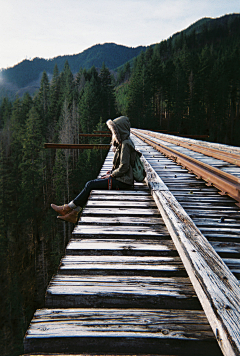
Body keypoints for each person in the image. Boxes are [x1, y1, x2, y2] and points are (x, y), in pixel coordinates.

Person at [51, 116, 136, 223]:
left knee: (90, 184)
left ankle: (68, 208)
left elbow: (124, 167)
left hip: (124, 182)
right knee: (93, 183)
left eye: (115, 131)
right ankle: (73, 213)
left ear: (120, 130)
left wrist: (112, 175)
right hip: (122, 179)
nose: (113, 134)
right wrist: (112, 172)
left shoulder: (125, 145)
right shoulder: (124, 143)